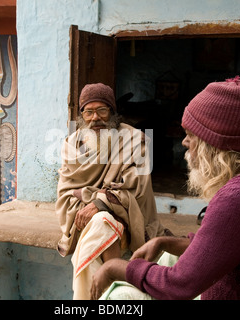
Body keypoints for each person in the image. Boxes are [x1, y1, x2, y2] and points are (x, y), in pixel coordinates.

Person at [90, 76, 240, 300]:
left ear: (214, 144)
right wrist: (164, 241)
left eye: (191, 135)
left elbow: (179, 286)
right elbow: (218, 247)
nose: (184, 142)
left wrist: (114, 267)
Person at [56, 83, 170, 299]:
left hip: (127, 218)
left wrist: (97, 202)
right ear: (81, 115)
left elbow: (135, 189)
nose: (95, 118)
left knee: (103, 222)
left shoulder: (135, 140)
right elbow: (66, 194)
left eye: (102, 110)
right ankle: (116, 295)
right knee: (101, 222)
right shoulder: (71, 144)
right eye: (88, 111)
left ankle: (109, 295)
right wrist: (99, 199)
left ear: (113, 113)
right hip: (83, 213)